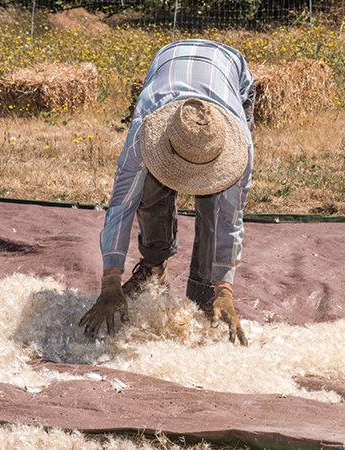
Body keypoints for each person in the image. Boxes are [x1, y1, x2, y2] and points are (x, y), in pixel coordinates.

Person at [80, 39, 257, 346]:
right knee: (150, 186)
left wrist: (224, 290)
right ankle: (153, 265)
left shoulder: (241, 148)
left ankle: (205, 293)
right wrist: (110, 281)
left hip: (230, 74)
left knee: (214, 203)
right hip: (169, 67)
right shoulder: (143, 134)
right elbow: (121, 207)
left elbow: (231, 220)